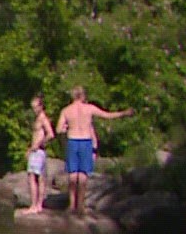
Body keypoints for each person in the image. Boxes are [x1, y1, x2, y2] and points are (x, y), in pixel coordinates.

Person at [55, 85, 133, 214]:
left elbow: (58, 129)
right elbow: (107, 115)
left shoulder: (66, 111)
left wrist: (67, 128)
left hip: (73, 140)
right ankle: (80, 206)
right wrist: (123, 113)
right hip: (85, 141)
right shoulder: (89, 108)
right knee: (83, 175)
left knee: (73, 175)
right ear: (83, 96)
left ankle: (71, 205)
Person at [21, 94, 54, 215]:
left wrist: (38, 145)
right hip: (38, 152)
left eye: (35, 107)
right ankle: (38, 205)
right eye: (32, 107)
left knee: (32, 177)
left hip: (37, 152)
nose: (34, 109)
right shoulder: (39, 118)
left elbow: (50, 134)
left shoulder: (42, 118)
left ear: (41, 106)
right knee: (40, 178)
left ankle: (34, 205)